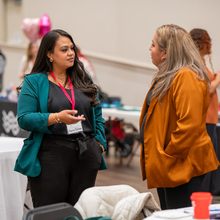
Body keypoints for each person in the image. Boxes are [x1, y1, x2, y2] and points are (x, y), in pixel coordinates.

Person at [14, 29, 107, 208]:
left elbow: (97, 114)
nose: (71, 53)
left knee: (79, 211)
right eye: (64, 49)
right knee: (50, 212)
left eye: (72, 48)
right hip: (51, 155)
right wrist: (56, 118)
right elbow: (24, 119)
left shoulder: (82, 77)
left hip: (85, 154)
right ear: (49, 54)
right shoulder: (34, 81)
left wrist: (99, 145)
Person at [139, 24, 219, 210]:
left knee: (177, 214)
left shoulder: (186, 76)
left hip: (180, 162)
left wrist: (169, 155)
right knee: (168, 212)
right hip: (169, 162)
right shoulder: (170, 75)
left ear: (165, 52)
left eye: (153, 45)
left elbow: (189, 124)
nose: (150, 49)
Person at [190, 28, 220, 194]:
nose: (211, 45)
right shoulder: (197, 63)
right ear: (202, 43)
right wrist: (218, 79)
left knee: (210, 160)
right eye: (208, 41)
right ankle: (202, 197)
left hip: (210, 118)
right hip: (205, 119)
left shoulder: (201, 61)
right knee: (206, 161)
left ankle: (205, 196)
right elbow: (207, 89)